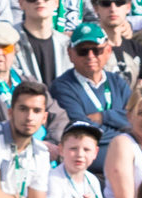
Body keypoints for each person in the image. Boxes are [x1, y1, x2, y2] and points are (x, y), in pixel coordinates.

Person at [49, 25, 131, 169]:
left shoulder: (118, 82)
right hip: (90, 170)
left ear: (108, 51)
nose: (90, 56)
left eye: (97, 50)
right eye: (83, 51)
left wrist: (103, 117)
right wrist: (124, 135)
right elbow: (82, 130)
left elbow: (133, 119)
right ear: (70, 54)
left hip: (126, 163)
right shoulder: (62, 86)